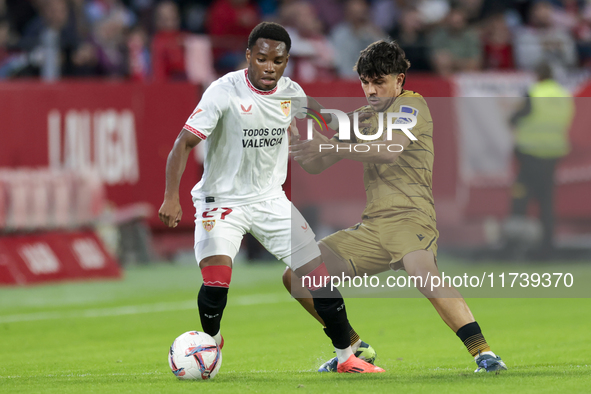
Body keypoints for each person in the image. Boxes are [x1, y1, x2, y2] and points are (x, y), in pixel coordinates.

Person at [158, 21, 384, 374]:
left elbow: (323, 117)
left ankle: (346, 358)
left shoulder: (291, 93)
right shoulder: (223, 91)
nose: (269, 67)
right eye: (262, 58)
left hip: (269, 200)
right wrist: (172, 196)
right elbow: (183, 143)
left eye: (277, 61)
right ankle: (212, 342)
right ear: (249, 56)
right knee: (216, 282)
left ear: (286, 61)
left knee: (318, 278)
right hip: (222, 201)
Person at [286, 40, 508, 373]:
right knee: (297, 277)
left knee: (424, 275)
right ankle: (355, 349)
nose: (371, 90)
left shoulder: (412, 105)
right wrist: (305, 150)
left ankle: (485, 354)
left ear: (400, 80)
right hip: (372, 227)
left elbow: (389, 149)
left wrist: (335, 146)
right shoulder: (361, 117)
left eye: (379, 81)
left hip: (411, 218)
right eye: (365, 82)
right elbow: (317, 164)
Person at [508, 62, 574, 257]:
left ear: (537, 75)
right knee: (546, 200)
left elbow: (520, 116)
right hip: (553, 153)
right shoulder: (563, 94)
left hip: (531, 152)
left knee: (521, 196)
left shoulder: (534, 92)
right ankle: (548, 245)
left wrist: (511, 118)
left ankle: (516, 245)